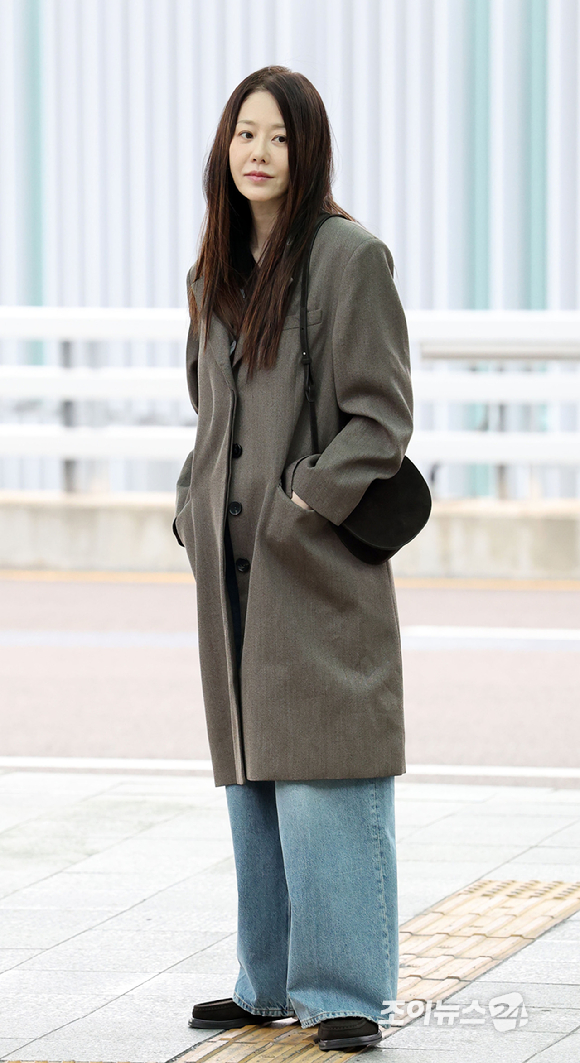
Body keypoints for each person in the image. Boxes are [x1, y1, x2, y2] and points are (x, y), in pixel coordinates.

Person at [173, 66, 413, 1052]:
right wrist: (191, 511)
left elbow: (382, 418)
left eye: (277, 135)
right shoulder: (213, 274)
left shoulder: (349, 258)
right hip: (232, 575)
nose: (258, 152)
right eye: (244, 134)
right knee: (256, 776)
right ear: (223, 150)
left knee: (328, 773)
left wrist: (301, 501)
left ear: (307, 149)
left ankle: (344, 990)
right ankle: (266, 980)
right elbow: (210, 416)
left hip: (311, 565)